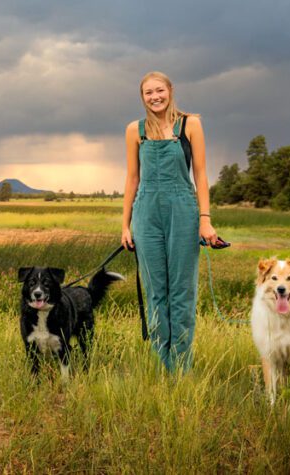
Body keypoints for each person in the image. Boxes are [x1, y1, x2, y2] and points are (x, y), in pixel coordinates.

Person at [120, 71, 218, 373]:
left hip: (183, 211)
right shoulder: (134, 130)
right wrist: (125, 225)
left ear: (170, 91)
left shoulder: (191, 125)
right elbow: (133, 178)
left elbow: (200, 175)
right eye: (148, 93)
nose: (155, 97)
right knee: (154, 292)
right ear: (142, 97)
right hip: (146, 213)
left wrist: (205, 220)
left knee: (181, 292)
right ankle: (161, 367)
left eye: (159, 91)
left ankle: (181, 368)